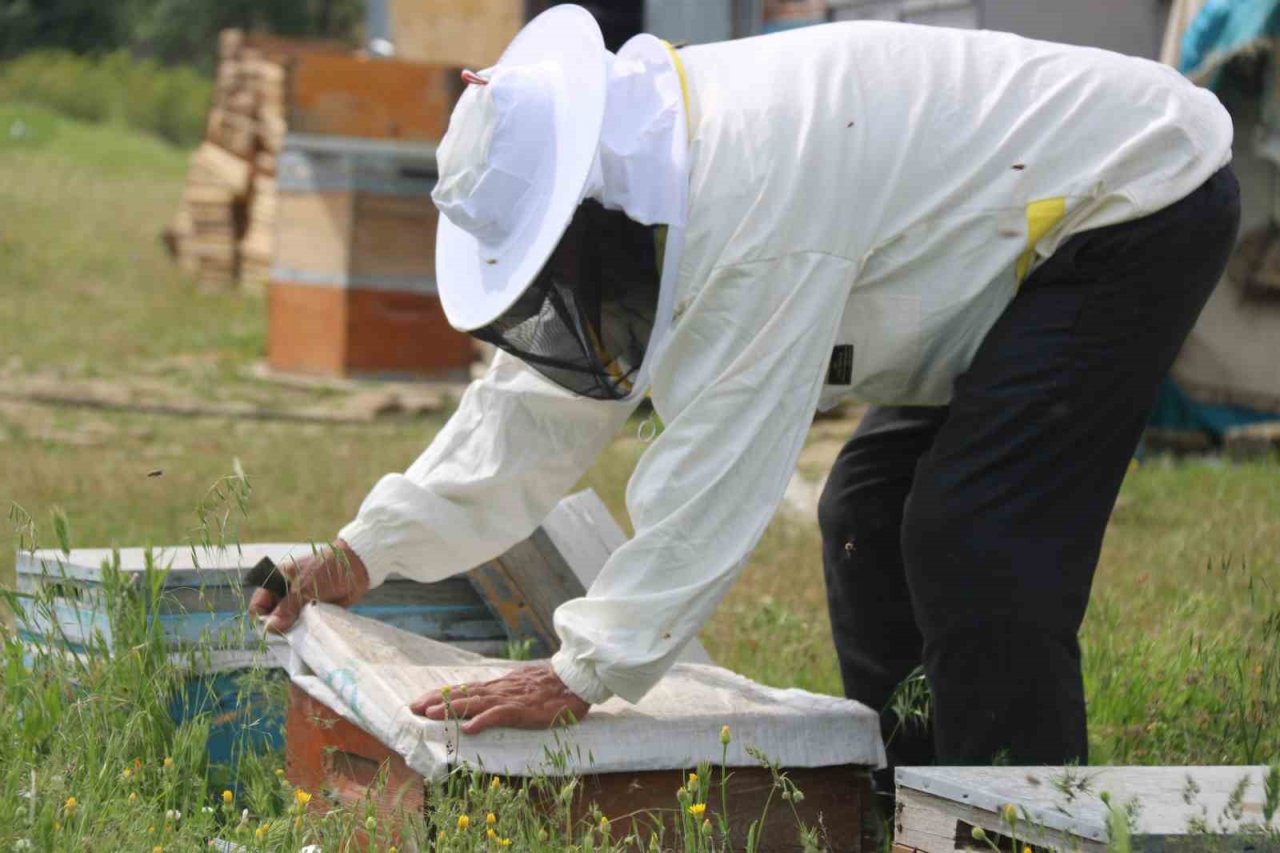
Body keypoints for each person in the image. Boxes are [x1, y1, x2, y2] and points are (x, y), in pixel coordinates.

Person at [251, 4, 1239, 786]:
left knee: (972, 532)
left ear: (585, 207)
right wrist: (363, 553)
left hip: (1129, 200)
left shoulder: (748, 191)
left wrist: (579, 672)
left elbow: (720, 468)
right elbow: (531, 408)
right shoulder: (643, 172)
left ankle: (1022, 812)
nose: (571, 298)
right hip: (996, 238)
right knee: (865, 510)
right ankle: (915, 793)